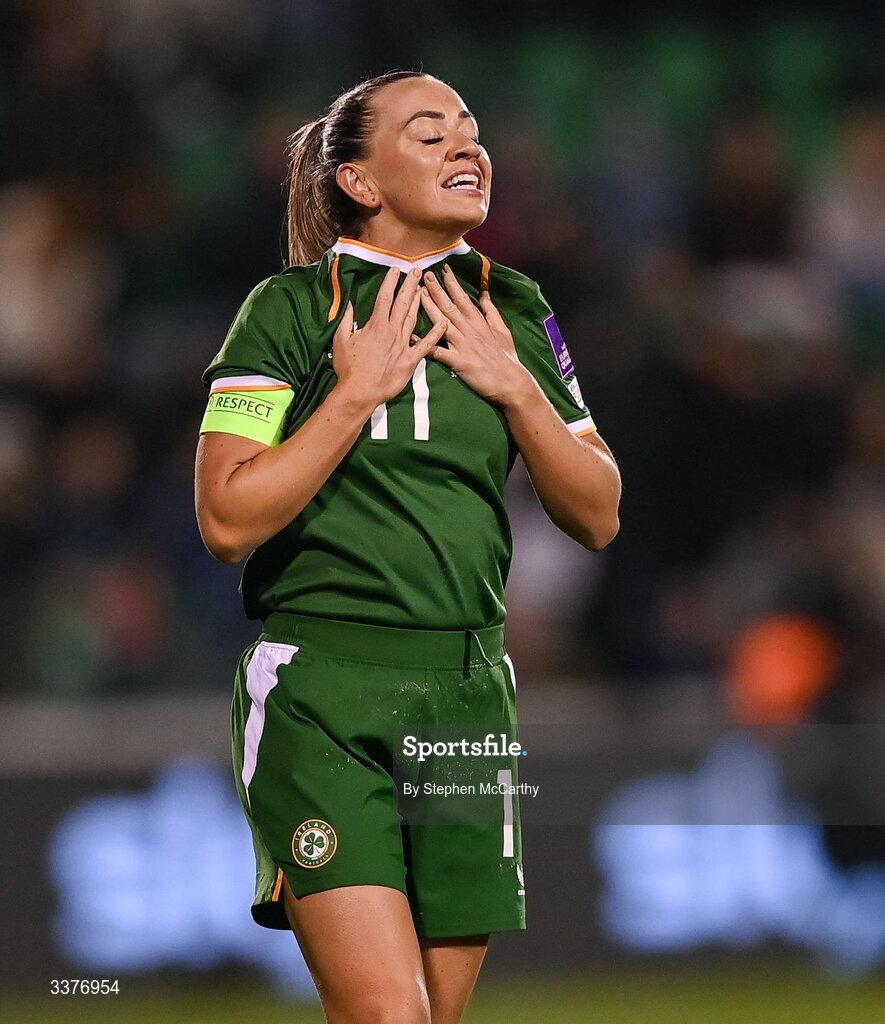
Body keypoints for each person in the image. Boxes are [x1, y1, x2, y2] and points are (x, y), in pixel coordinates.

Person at [194, 70, 621, 1024]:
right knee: (391, 1016)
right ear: (358, 181)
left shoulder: (511, 307)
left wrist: (516, 390)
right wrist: (352, 395)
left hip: (469, 693)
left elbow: (598, 511)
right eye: (429, 135)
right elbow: (225, 519)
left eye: (471, 130)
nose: (467, 147)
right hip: (324, 692)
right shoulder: (290, 311)